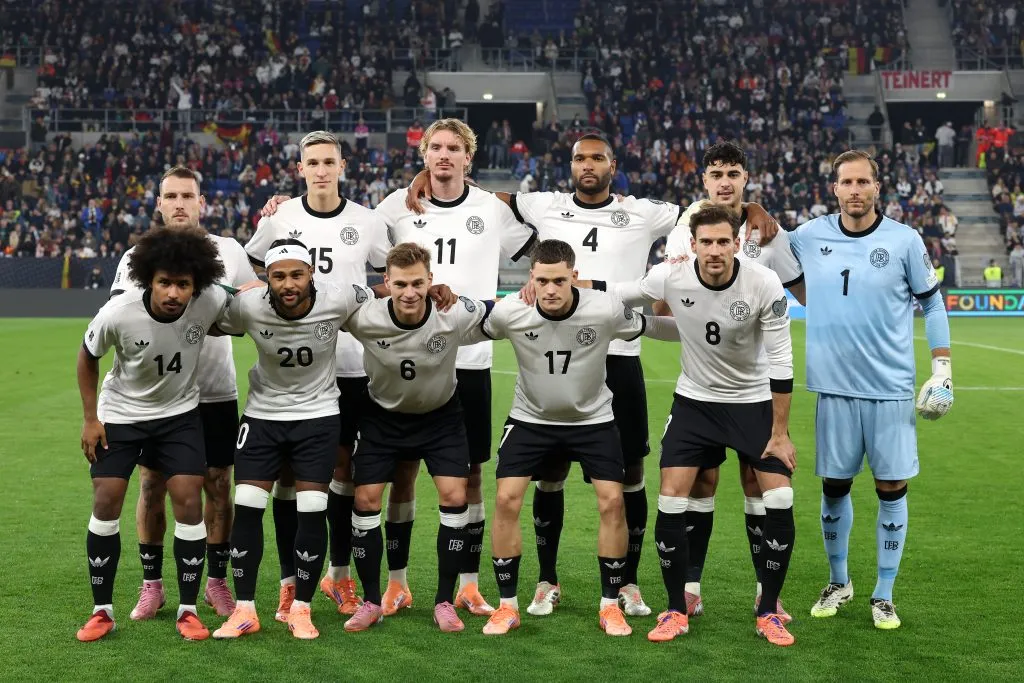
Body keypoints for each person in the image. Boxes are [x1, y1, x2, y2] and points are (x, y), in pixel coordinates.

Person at [405, 132, 778, 617]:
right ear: (571, 164)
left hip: (618, 354)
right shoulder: (545, 204)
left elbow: (707, 206)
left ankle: (626, 586)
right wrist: (424, 178)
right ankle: (546, 580)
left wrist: (750, 209)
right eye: (580, 157)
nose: (587, 164)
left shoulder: (645, 211)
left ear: (612, 164)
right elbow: (481, 197)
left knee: (630, 474)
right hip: (557, 349)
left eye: (597, 158)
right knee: (550, 473)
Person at [585, 205, 799, 646]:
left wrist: (779, 433)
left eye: (724, 241)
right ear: (693, 246)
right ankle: (676, 609)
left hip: (751, 402)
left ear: (737, 244)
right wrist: (570, 284)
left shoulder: (763, 283)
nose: (716, 250)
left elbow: (782, 360)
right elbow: (619, 290)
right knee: (671, 497)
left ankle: (767, 611)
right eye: (707, 242)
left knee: (780, 496)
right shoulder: (672, 275)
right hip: (694, 404)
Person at [371, 119, 536, 617]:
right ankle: (397, 583)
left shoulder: (490, 208)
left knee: (471, 474)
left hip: (470, 359)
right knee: (402, 472)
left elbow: (539, 244)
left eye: (455, 149)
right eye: (436, 148)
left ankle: (467, 583)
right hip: (410, 357)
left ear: (469, 156)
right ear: (424, 155)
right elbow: (367, 262)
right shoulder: (396, 205)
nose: (444, 156)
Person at [785, 150, 953, 630]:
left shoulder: (904, 240)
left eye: (863, 182)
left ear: (877, 188)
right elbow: (769, 243)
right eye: (846, 182)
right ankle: (839, 582)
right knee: (834, 488)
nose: (855, 190)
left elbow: (933, 304)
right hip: (833, 390)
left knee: (890, 489)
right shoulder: (811, 235)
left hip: (891, 390)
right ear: (833, 188)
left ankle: (883, 592)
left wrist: (942, 369)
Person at [243, 130, 390, 621]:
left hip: (352, 364)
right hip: (293, 372)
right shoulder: (281, 216)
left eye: (330, 162)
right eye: (313, 162)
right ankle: (290, 583)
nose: (322, 170)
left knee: (342, 473)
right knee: (289, 477)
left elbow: (387, 274)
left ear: (342, 166)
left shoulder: (366, 221)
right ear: (300, 168)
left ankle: (339, 575)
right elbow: (252, 264)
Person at [474, 239, 655, 637]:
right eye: (542, 280)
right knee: (505, 498)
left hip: (592, 420)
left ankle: (610, 606)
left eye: (559, 280)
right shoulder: (511, 312)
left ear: (575, 276)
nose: (551, 289)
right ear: (530, 280)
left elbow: (650, 325)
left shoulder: (603, 307)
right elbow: (467, 330)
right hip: (531, 419)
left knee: (612, 502)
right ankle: (507, 607)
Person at [660, 142, 805, 620]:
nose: (724, 181)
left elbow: (800, 290)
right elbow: (668, 300)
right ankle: (691, 587)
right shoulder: (685, 232)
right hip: (700, 385)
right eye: (716, 173)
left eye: (734, 174)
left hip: (754, 386)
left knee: (755, 483)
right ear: (703, 179)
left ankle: (768, 591)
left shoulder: (768, 231)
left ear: (747, 179)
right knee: (700, 480)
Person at [110, 166, 257, 622]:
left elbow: (251, 301)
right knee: (152, 485)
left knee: (218, 486)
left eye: (187, 195)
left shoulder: (228, 250)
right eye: (170, 195)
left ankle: (216, 583)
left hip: (213, 390)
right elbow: (124, 313)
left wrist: (225, 306)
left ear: (202, 202)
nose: (178, 203)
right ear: (158, 203)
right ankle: (152, 586)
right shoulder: (139, 255)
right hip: (156, 395)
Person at [76, 226, 233, 642]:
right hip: (123, 414)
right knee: (106, 498)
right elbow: (88, 356)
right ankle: (102, 610)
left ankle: (188, 609)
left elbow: (249, 300)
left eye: (183, 284)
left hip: (179, 415)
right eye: (165, 282)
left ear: (195, 284)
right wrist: (91, 419)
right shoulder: (119, 312)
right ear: (149, 279)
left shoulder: (210, 301)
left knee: (188, 499)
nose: (173, 293)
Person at [212, 241, 373, 640]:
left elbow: (380, 294)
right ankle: (246, 610)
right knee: (247, 506)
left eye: (296, 275)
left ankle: (302, 609)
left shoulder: (339, 298)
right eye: (278, 275)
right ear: (266, 276)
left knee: (312, 508)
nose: (287, 284)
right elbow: (208, 316)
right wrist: (230, 293)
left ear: (310, 275)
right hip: (263, 417)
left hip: (317, 417)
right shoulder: (250, 306)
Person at [340, 242, 495, 634]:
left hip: (441, 418)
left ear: (431, 282)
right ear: (386, 282)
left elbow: (501, 314)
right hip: (381, 418)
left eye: (418, 283)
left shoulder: (453, 314)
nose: (409, 293)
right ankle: (372, 600)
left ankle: (445, 600)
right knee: (365, 499)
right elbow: (324, 301)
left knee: (455, 496)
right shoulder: (365, 316)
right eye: (401, 284)